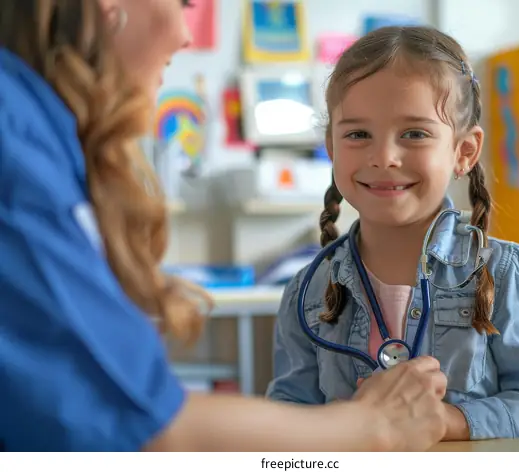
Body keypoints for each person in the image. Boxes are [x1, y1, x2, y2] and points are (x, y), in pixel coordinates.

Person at [0, 0, 451, 452]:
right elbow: (137, 426)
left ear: (464, 152)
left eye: (414, 133)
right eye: (182, 3)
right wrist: (372, 427)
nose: (184, 33)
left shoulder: (39, 136)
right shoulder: (16, 140)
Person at [266, 25, 519, 441]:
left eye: (414, 133)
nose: (384, 158)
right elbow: (286, 428)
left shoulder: (506, 276)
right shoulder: (308, 291)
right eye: (358, 134)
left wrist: (448, 422)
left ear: (463, 152)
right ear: (332, 147)